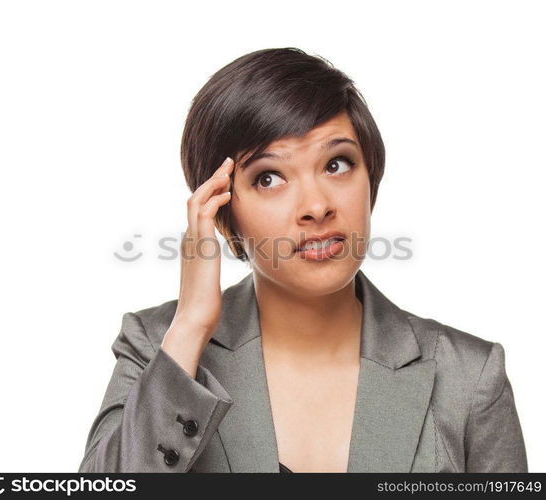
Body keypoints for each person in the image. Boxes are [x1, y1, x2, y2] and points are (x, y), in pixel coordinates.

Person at [78, 47, 528, 473]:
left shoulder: (469, 377)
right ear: (222, 211)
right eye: (269, 177)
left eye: (337, 164)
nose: (316, 205)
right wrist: (192, 324)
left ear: (371, 176)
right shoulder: (156, 347)